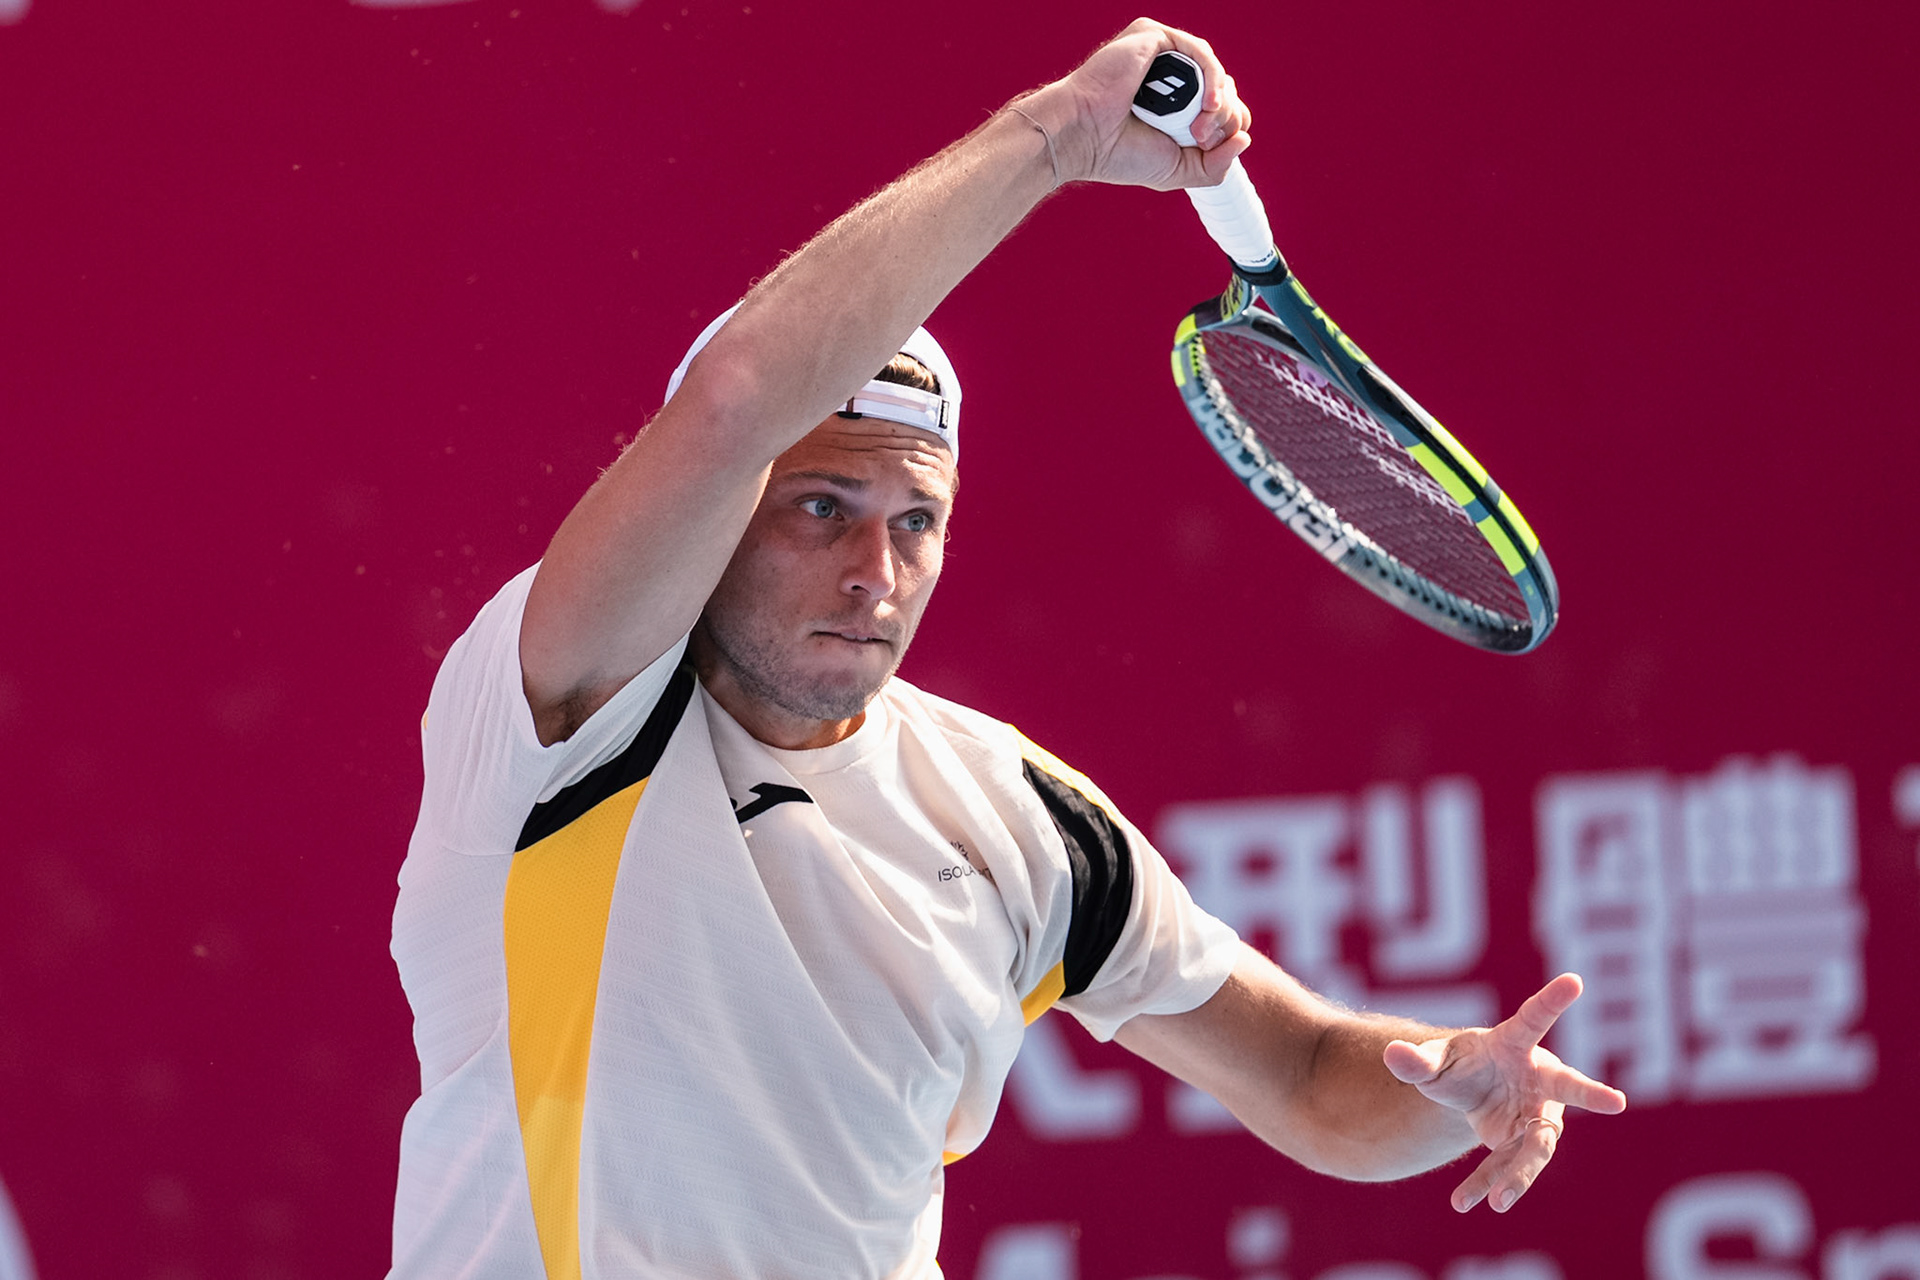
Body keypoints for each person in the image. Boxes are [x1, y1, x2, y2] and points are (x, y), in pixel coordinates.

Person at [387, 18, 1626, 1279]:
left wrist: (1451, 1083)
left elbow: (1306, 1076)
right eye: (820, 508)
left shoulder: (1019, 818)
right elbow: (735, 397)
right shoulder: (564, 707)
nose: (876, 568)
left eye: (914, 520)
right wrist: (1058, 135)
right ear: (721, 511)